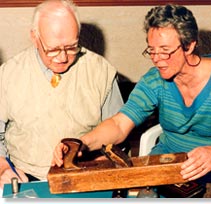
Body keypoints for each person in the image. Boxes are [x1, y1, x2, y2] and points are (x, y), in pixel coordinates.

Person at [52, 4, 211, 197]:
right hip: (166, 162)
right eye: (151, 50)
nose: (157, 59)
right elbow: (119, 123)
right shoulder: (155, 80)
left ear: (189, 46)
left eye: (165, 51)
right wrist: (81, 144)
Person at [0, 0, 124, 189]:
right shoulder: (8, 74)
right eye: (53, 49)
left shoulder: (101, 72)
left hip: (84, 175)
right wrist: (3, 168)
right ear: (34, 37)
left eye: (71, 47)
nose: (63, 57)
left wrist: (100, 166)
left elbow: (117, 135)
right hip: (25, 178)